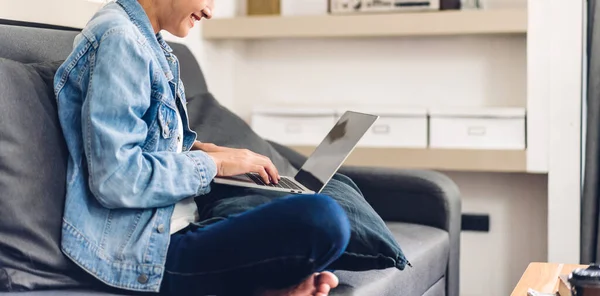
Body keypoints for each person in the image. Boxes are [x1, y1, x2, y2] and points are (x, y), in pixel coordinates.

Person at [53, 0, 352, 295]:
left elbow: (148, 143)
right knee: (324, 218)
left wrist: (205, 151)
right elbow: (115, 178)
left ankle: (285, 282)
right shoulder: (119, 39)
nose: (210, 11)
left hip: (181, 220)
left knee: (333, 207)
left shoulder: (149, 42)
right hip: (148, 250)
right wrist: (214, 165)